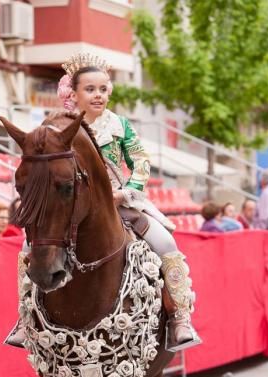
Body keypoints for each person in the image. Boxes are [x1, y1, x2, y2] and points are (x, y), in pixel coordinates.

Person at [57, 53, 200, 351]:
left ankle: (179, 317)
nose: (98, 95)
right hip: (72, 208)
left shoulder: (120, 125)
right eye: (90, 89)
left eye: (103, 89)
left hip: (119, 202)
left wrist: (126, 192)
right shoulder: (61, 127)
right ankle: (24, 318)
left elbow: (141, 162)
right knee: (29, 247)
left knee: (166, 243)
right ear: (74, 93)